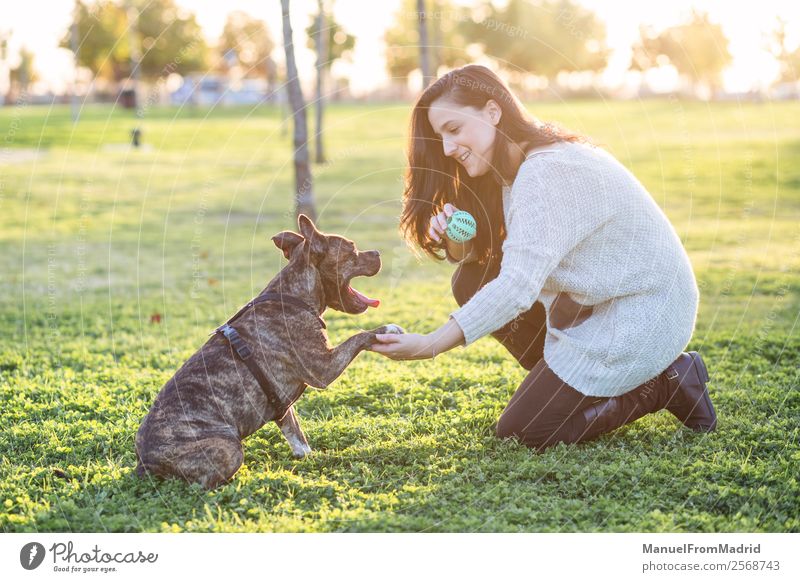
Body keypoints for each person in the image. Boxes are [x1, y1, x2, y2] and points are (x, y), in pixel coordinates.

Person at [369, 64, 717, 450]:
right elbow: (486, 261)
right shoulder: (510, 169)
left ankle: (666, 381)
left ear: (492, 111)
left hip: (645, 310)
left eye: (454, 129)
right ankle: (566, 388)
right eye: (441, 137)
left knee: (524, 431)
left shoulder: (545, 173)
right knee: (471, 280)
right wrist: (453, 233)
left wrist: (429, 344)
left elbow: (517, 286)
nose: (448, 148)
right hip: (592, 306)